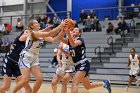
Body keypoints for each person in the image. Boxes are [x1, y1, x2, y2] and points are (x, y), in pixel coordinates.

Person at [12, 19, 66, 93]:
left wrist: (63, 30)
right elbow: (49, 33)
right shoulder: (33, 33)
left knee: (40, 79)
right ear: (32, 26)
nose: (38, 24)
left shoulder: (40, 34)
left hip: (35, 58)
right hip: (26, 57)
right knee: (25, 80)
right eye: (36, 23)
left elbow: (54, 39)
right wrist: (60, 25)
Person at [61, 27, 111, 93]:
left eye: (76, 30)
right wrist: (62, 30)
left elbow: (73, 44)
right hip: (76, 65)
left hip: (83, 63)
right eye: (73, 29)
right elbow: (60, 39)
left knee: (74, 83)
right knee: (88, 86)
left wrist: (67, 32)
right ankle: (105, 83)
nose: (74, 30)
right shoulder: (70, 41)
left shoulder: (80, 40)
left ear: (79, 34)